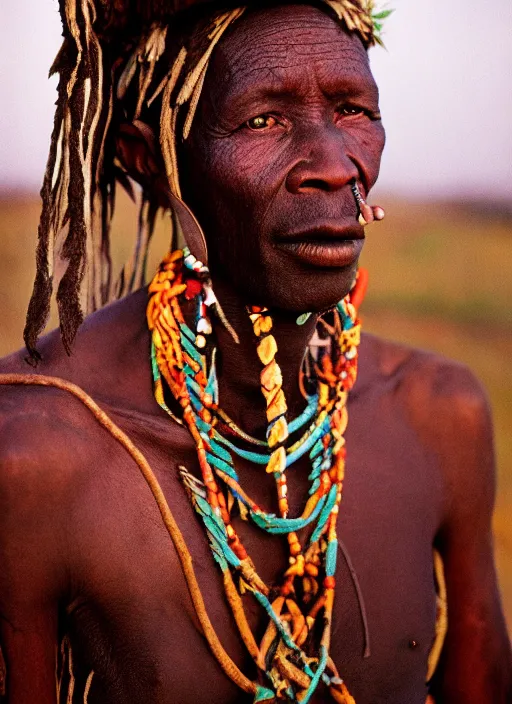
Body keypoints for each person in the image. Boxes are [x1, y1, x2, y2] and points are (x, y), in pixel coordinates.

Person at [0, 1, 510, 703]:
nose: (335, 168)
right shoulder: (32, 453)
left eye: (353, 109)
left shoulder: (437, 414)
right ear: (150, 159)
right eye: (262, 119)